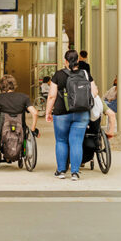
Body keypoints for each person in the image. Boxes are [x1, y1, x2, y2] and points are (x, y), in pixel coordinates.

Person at [45, 50, 99, 181]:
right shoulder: (85, 74)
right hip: (81, 113)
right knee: (76, 142)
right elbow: (95, 92)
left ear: (66, 61)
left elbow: (52, 96)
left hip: (62, 113)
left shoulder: (58, 75)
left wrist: (48, 112)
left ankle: (61, 171)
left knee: (61, 141)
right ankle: (75, 172)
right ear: (78, 61)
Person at [0, 73, 39, 143]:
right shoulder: (24, 97)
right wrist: (33, 130)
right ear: (14, 85)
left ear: (0, 85)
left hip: (1, 131)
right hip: (20, 131)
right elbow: (35, 113)